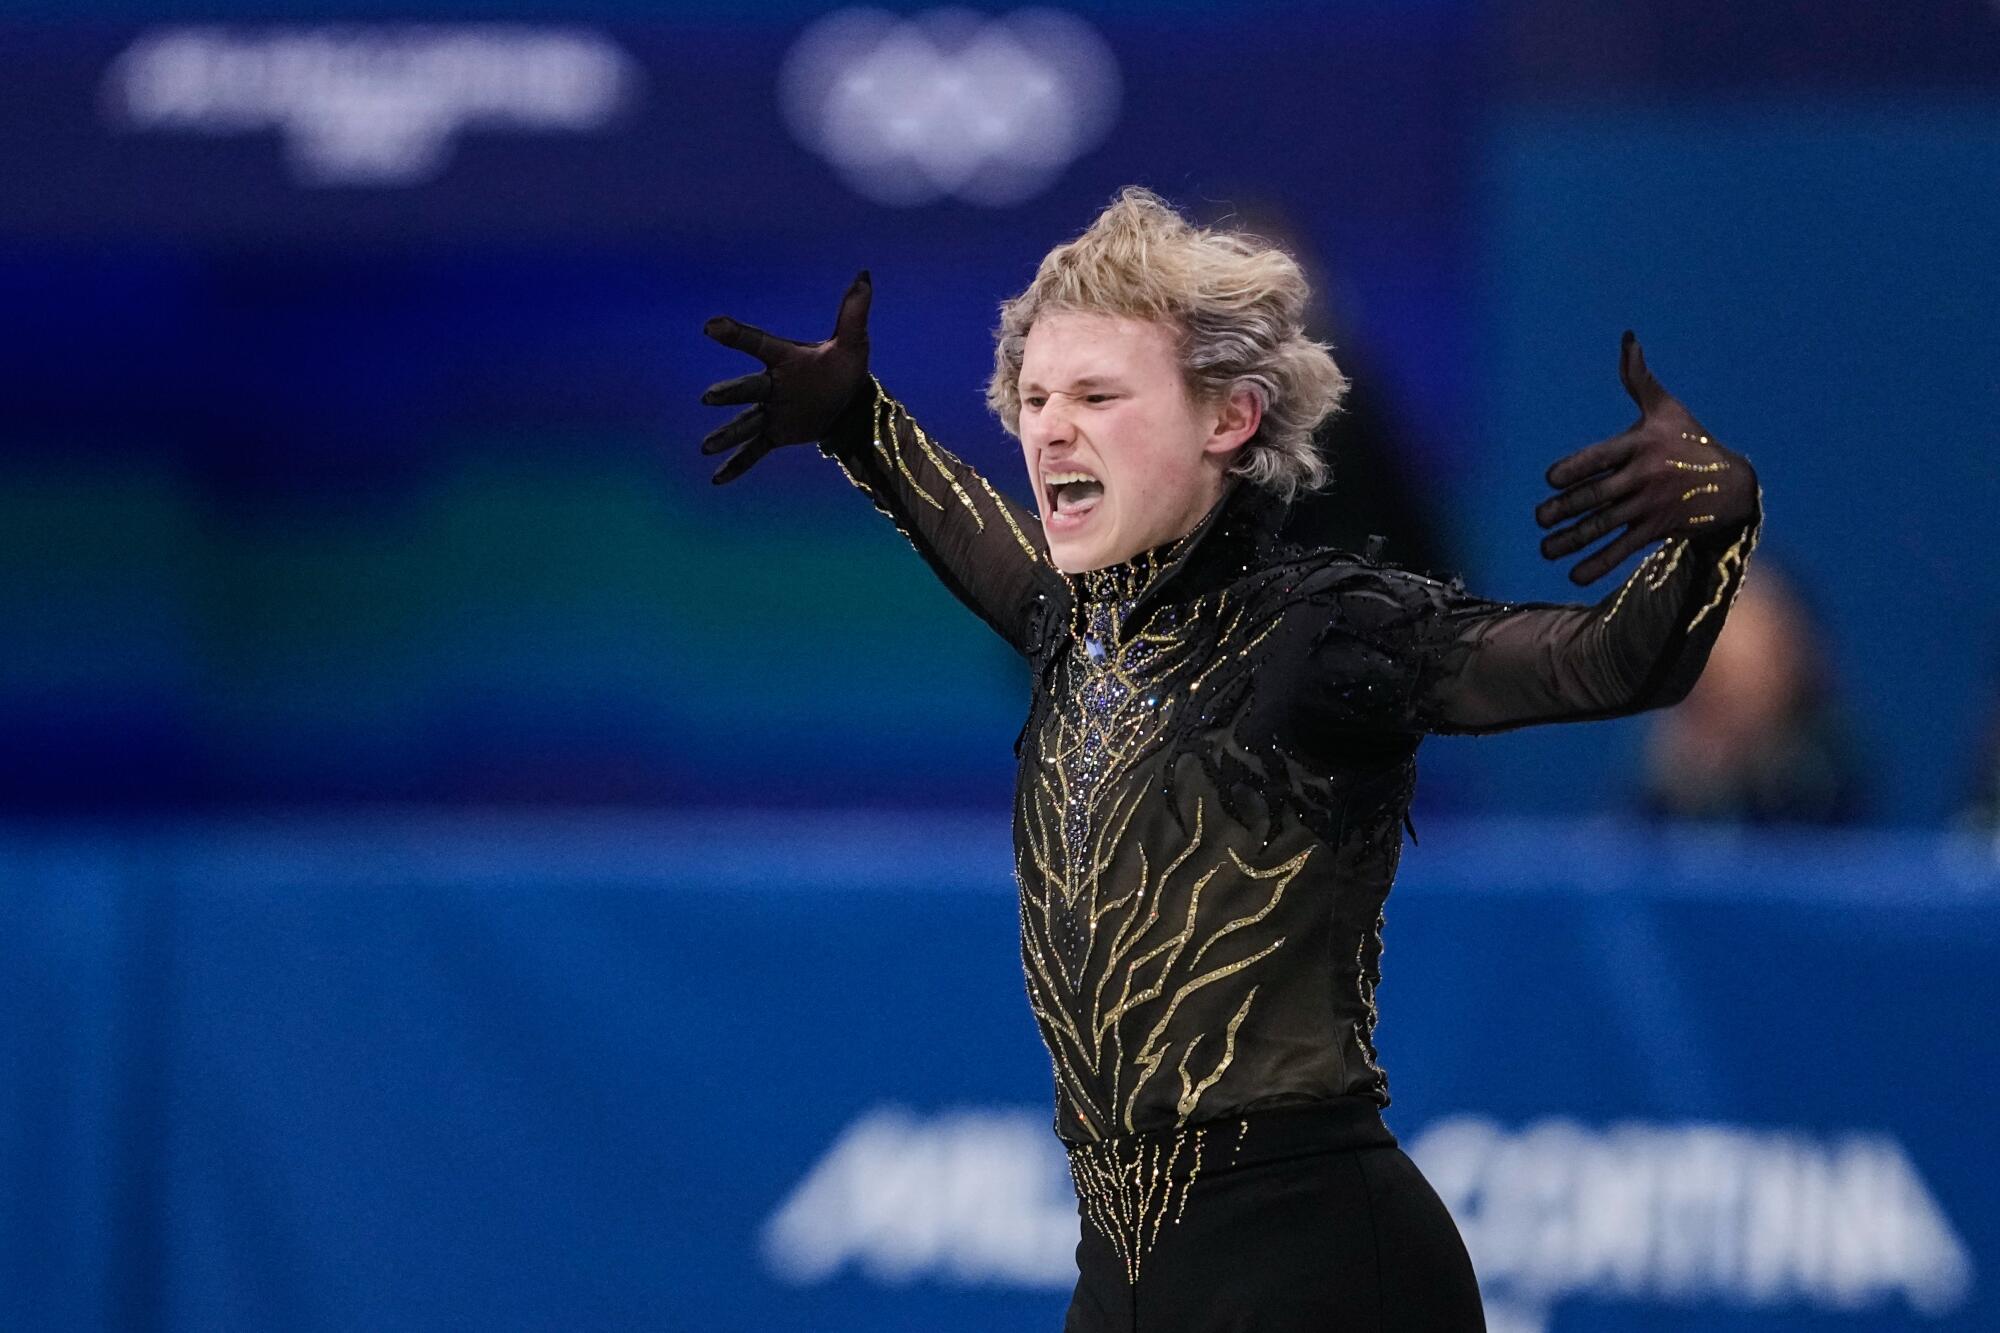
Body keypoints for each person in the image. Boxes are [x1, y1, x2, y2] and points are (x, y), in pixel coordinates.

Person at [698, 187, 1762, 1333]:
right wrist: (859, 421)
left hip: (1314, 1261)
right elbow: (962, 523)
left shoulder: (1324, 632)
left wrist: (1714, 528)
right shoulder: (1076, 631)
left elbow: (1604, 663)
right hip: (1125, 1271)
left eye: (1097, 396)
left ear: (1230, 419)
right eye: (1035, 397)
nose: (1049, 426)